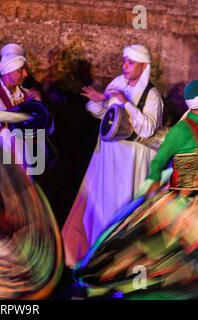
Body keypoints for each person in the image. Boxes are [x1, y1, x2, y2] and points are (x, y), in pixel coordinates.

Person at [74, 80, 198, 299]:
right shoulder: (184, 127)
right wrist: (152, 181)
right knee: (160, 248)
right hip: (184, 198)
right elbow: (162, 153)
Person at [62, 44, 164, 267]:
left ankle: (120, 263)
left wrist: (126, 102)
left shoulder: (152, 95)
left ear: (144, 66)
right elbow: (103, 114)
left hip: (131, 159)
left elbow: (147, 129)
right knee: (102, 204)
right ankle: (93, 259)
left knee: (123, 206)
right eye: (124, 61)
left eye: (130, 62)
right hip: (108, 157)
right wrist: (99, 101)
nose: (124, 66)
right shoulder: (117, 83)